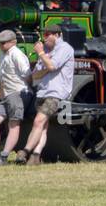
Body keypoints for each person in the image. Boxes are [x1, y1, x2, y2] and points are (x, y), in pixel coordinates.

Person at [19, 25, 74, 166]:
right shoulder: (46, 51)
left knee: (38, 121)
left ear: (57, 35)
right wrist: (44, 63)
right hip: (43, 90)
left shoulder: (65, 48)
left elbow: (52, 66)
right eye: (43, 35)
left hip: (56, 92)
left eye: (47, 35)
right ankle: (36, 155)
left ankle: (25, 151)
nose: (44, 38)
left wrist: (41, 54)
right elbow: (35, 75)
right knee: (43, 126)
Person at [0, 29, 31, 166]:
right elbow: (3, 78)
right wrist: (1, 96)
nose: (1, 46)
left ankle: (3, 157)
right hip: (7, 95)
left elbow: (27, 75)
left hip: (17, 93)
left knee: (13, 124)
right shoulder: (4, 55)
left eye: (4, 43)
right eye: (0, 43)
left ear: (13, 42)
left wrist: (25, 92)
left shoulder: (17, 54)